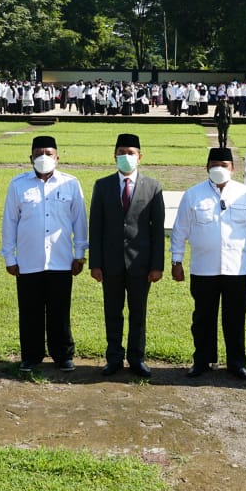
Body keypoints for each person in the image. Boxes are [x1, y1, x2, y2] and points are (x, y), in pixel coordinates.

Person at [170, 147, 246, 379]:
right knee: (202, 318)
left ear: (233, 169)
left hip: (237, 269)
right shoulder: (193, 194)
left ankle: (236, 362)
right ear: (206, 167)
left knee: (235, 318)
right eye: (214, 165)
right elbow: (180, 229)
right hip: (204, 268)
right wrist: (176, 260)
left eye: (224, 165)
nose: (219, 169)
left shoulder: (245, 194)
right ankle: (202, 360)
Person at [1, 135, 88, 373]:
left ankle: (63, 355)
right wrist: (10, 257)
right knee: (30, 311)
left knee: (60, 310)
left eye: (48, 154)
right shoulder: (18, 185)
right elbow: (9, 222)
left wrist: (79, 255)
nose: (44, 158)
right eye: (38, 154)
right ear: (30, 158)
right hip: (29, 261)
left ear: (58, 157)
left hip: (61, 261)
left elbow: (80, 221)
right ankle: (31, 355)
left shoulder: (70, 184)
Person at [88, 134, 165, 378]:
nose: (126, 156)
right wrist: (95, 263)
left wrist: (157, 265)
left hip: (140, 264)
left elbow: (157, 230)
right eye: (121, 152)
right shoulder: (103, 185)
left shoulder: (153, 188)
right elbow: (96, 227)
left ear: (140, 156)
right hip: (110, 263)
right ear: (114, 155)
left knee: (138, 313)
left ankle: (136, 358)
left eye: (131, 152)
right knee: (112, 311)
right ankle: (113, 358)